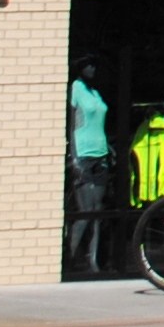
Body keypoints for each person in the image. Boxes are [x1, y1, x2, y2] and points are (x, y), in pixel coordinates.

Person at [64, 58, 114, 276]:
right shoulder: (75, 88)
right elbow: (71, 124)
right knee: (85, 212)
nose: (93, 68)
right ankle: (70, 258)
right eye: (88, 65)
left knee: (97, 212)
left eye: (95, 65)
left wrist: (109, 147)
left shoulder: (95, 93)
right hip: (83, 154)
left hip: (100, 153)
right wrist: (73, 157)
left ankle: (93, 261)